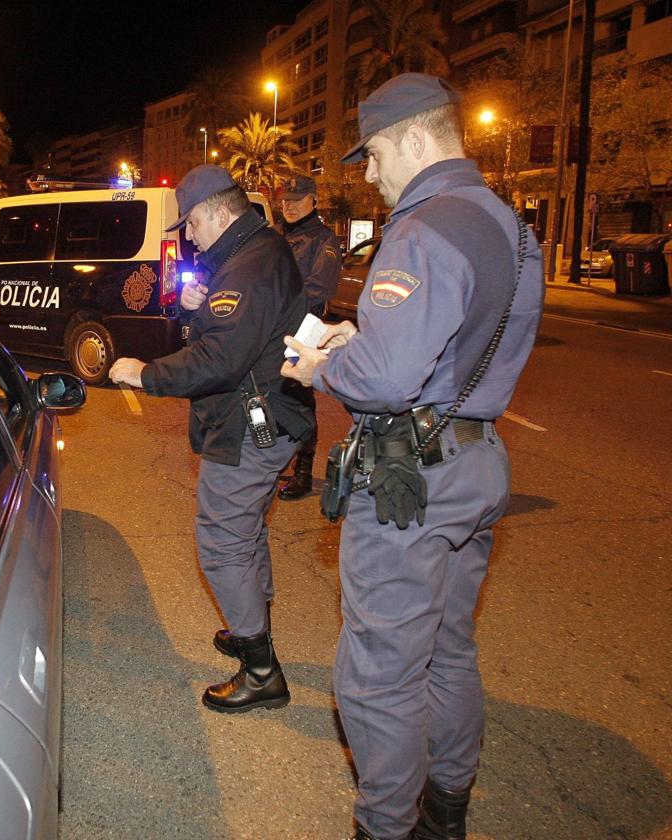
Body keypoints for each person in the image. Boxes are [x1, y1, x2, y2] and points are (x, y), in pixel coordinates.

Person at [281, 73, 543, 840]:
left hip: (410, 480)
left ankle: (386, 827)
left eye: (375, 156)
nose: (370, 175)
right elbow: (459, 350)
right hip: (476, 460)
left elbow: (390, 379)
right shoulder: (513, 229)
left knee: (381, 675)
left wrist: (325, 364)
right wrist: (365, 341)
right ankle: (446, 812)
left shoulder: (425, 227)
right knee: (449, 649)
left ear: (418, 140)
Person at [108, 164, 314, 714]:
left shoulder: (247, 268)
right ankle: (253, 624)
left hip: (251, 424)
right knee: (246, 530)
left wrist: (145, 373)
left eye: (193, 223)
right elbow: (237, 331)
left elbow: (221, 360)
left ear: (220, 213)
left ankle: (261, 668)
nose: (190, 236)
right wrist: (199, 308)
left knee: (222, 541)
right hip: (272, 414)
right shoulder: (257, 252)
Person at [276, 174, 343, 501]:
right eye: (286, 199)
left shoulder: (323, 239)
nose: (289, 205)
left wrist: (278, 302)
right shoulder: (278, 235)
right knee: (273, 393)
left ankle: (303, 472)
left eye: (297, 199)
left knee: (299, 398)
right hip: (275, 328)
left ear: (313, 201)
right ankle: (278, 460)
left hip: (304, 331)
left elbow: (321, 287)